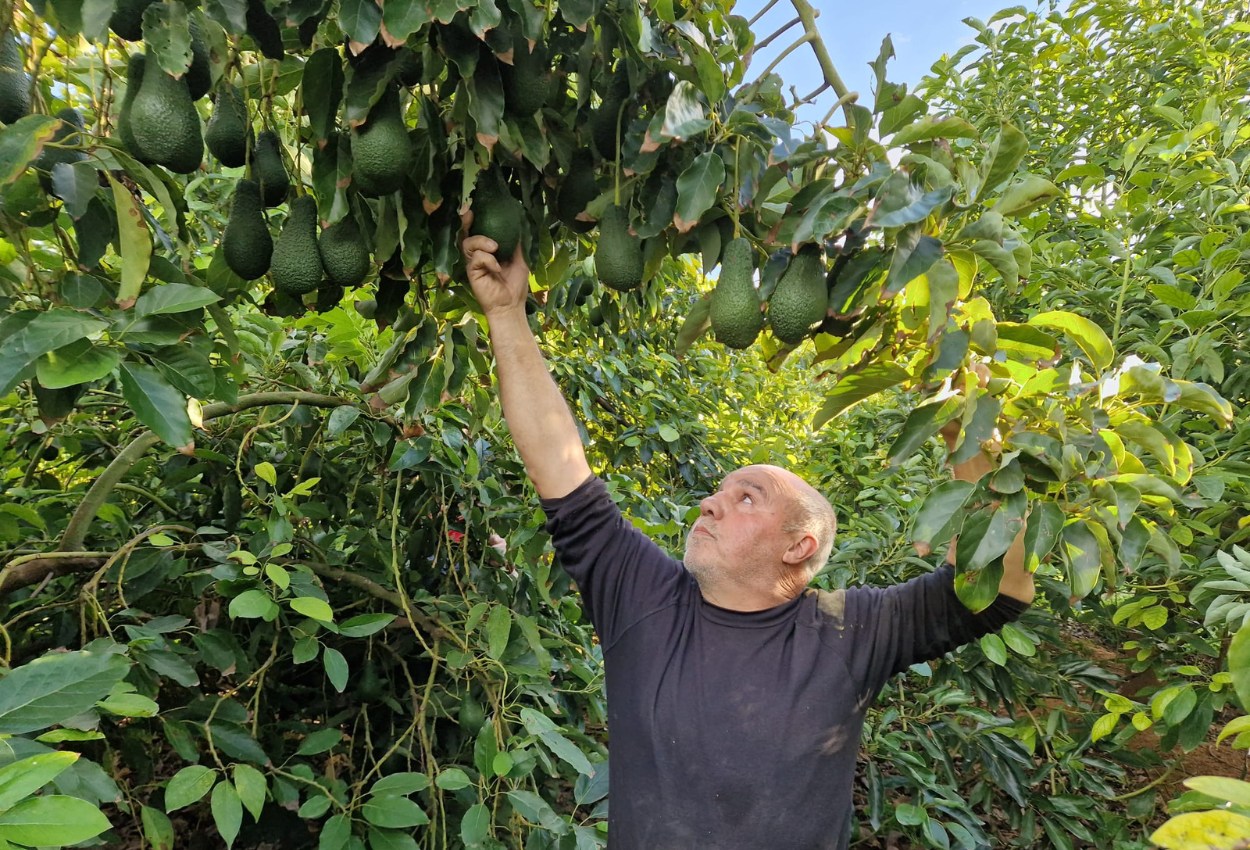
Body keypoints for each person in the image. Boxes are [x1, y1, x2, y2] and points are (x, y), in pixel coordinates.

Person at [461, 229, 1034, 850]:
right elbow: (556, 459)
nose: (710, 501)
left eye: (746, 498)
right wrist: (505, 313)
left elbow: (999, 587)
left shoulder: (850, 631)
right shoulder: (644, 597)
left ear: (799, 546)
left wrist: (966, 424)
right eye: (720, 490)